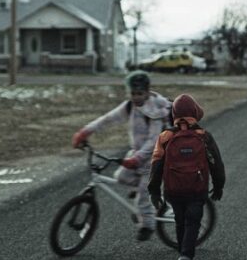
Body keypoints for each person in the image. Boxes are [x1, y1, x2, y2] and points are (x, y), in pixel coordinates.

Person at [71, 70, 172, 241]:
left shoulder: (154, 111)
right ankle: (148, 196)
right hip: (138, 153)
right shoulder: (129, 106)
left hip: (157, 157)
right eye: (133, 93)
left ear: (147, 92)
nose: (136, 97)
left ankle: (147, 225)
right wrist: (85, 132)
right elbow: (107, 119)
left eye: (140, 93)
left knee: (142, 197)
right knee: (121, 177)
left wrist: (137, 159)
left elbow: (154, 140)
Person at [148, 93, 225, 260]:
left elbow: (156, 165)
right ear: (195, 112)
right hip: (196, 189)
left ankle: (182, 252)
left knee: (180, 220)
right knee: (193, 221)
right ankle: (185, 257)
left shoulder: (165, 137)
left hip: (173, 190)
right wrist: (218, 186)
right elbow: (216, 164)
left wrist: (154, 191)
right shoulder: (203, 136)